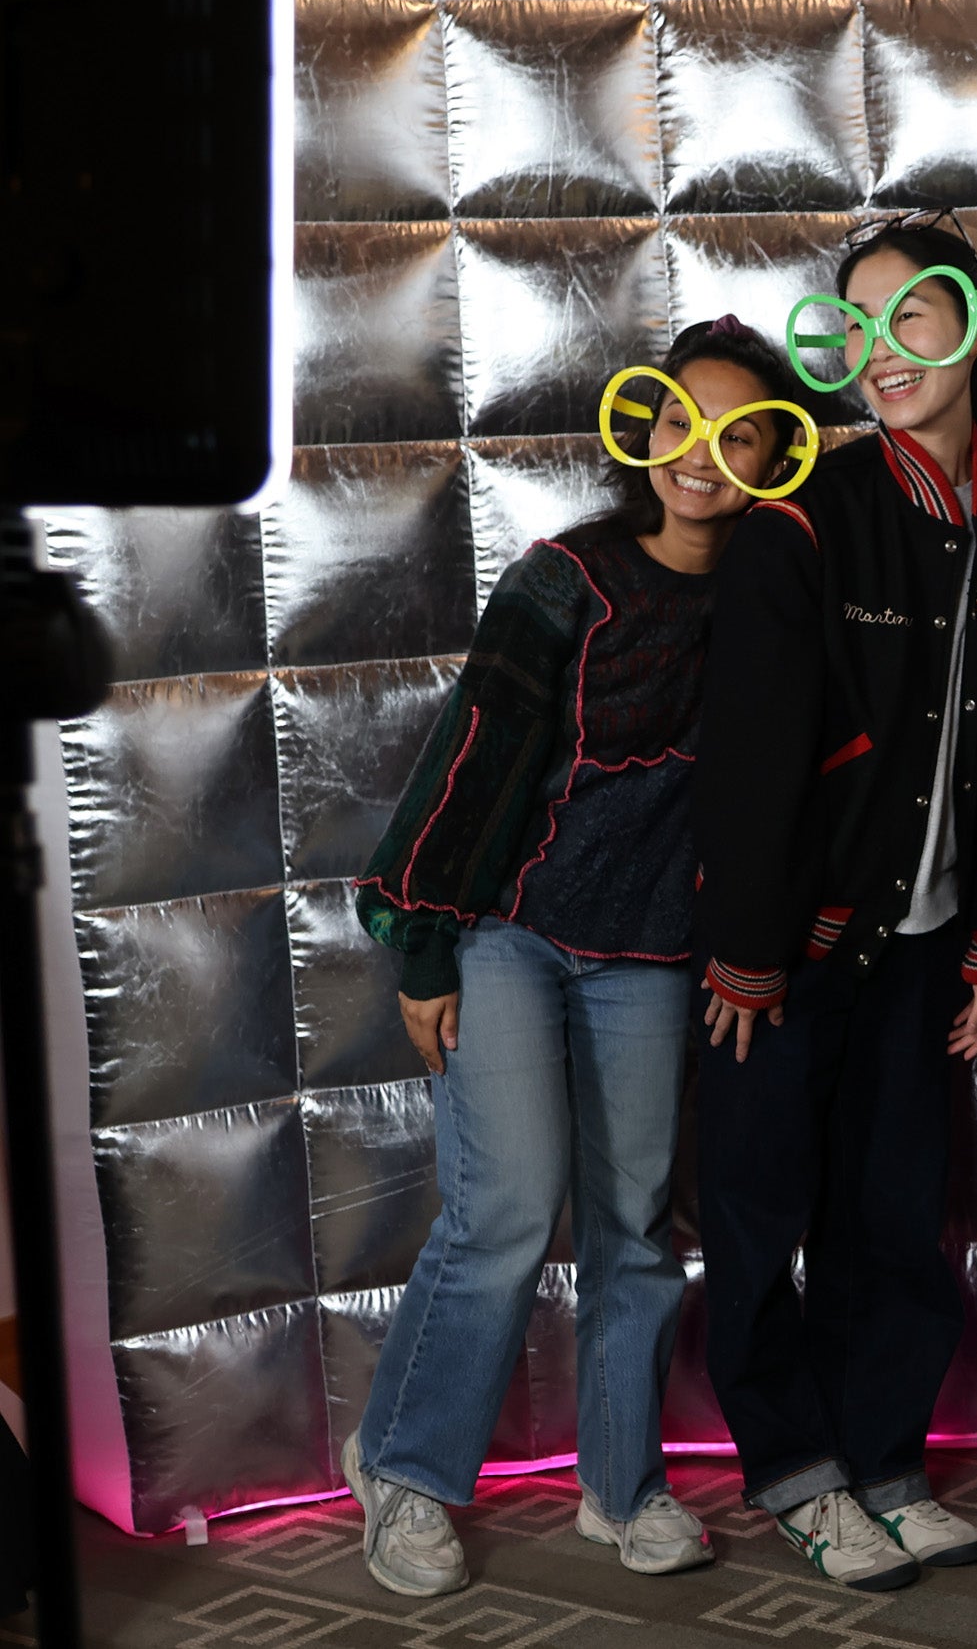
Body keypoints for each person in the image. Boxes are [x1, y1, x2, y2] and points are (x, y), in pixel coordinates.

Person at [344, 316, 805, 1596]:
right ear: (642, 431)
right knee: (504, 1207)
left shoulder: (771, 591)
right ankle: (406, 1466)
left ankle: (625, 1483)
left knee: (636, 1226)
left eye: (740, 430)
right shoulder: (566, 575)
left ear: (776, 454)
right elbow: (472, 757)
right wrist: (426, 947)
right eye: (679, 421)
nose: (701, 451)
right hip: (510, 932)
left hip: (651, 951)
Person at [690, 216, 977, 1594]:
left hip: (926, 947)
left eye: (916, 319)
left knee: (894, 1213)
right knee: (757, 1206)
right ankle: (794, 1472)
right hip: (789, 954)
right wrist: (744, 956)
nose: (884, 354)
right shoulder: (806, 521)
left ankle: (885, 1460)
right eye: (860, 327)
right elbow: (750, 758)